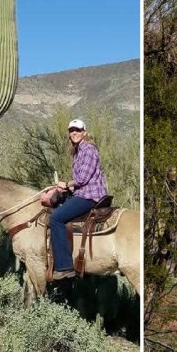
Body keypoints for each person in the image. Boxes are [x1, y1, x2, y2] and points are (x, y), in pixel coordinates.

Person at [49, 118, 109, 280]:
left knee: (56, 218)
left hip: (90, 196)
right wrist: (68, 188)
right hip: (82, 192)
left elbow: (82, 179)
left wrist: (66, 184)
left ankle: (64, 266)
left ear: (84, 132)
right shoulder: (78, 151)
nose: (74, 133)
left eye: (77, 130)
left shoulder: (88, 149)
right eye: (71, 130)